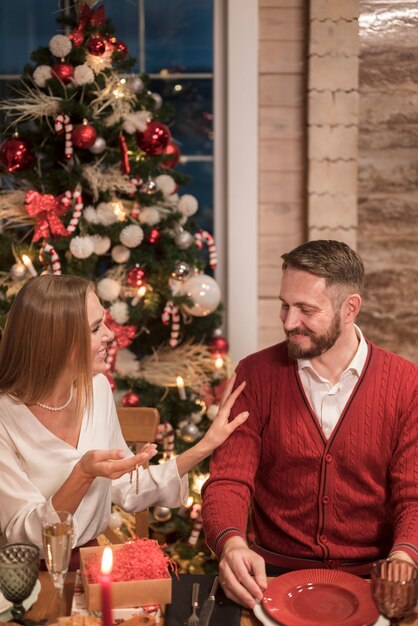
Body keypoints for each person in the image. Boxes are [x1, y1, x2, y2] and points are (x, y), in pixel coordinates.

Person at [202, 239, 418, 608]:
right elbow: (228, 481)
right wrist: (233, 544)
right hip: (271, 577)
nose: (289, 322)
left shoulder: (406, 383)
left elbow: (413, 496)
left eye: (306, 309)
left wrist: (404, 557)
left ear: (350, 309)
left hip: (375, 581)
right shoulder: (255, 375)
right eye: (284, 306)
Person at [0, 274, 248, 563]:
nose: (110, 334)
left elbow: (128, 485)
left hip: (89, 563)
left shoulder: (97, 388)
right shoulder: (6, 417)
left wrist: (205, 445)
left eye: (104, 322)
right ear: (56, 341)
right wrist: (83, 473)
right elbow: (23, 534)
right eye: (95, 329)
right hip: (24, 574)